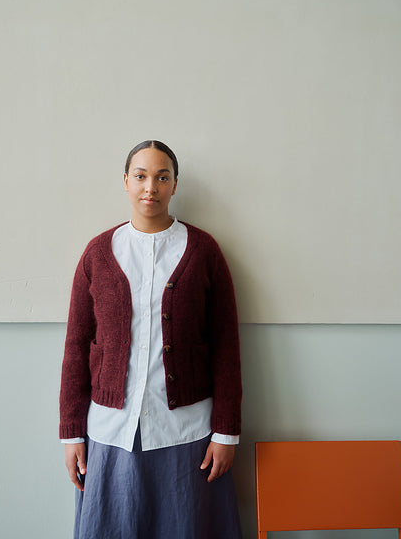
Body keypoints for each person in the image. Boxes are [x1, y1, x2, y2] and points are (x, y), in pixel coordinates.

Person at [59, 140, 242, 539]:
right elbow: (76, 346)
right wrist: (72, 432)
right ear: (126, 181)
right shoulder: (98, 254)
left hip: (187, 432)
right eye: (141, 176)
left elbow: (226, 346)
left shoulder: (204, 251)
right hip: (111, 430)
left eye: (162, 177)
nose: (150, 187)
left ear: (175, 184)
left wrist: (226, 432)